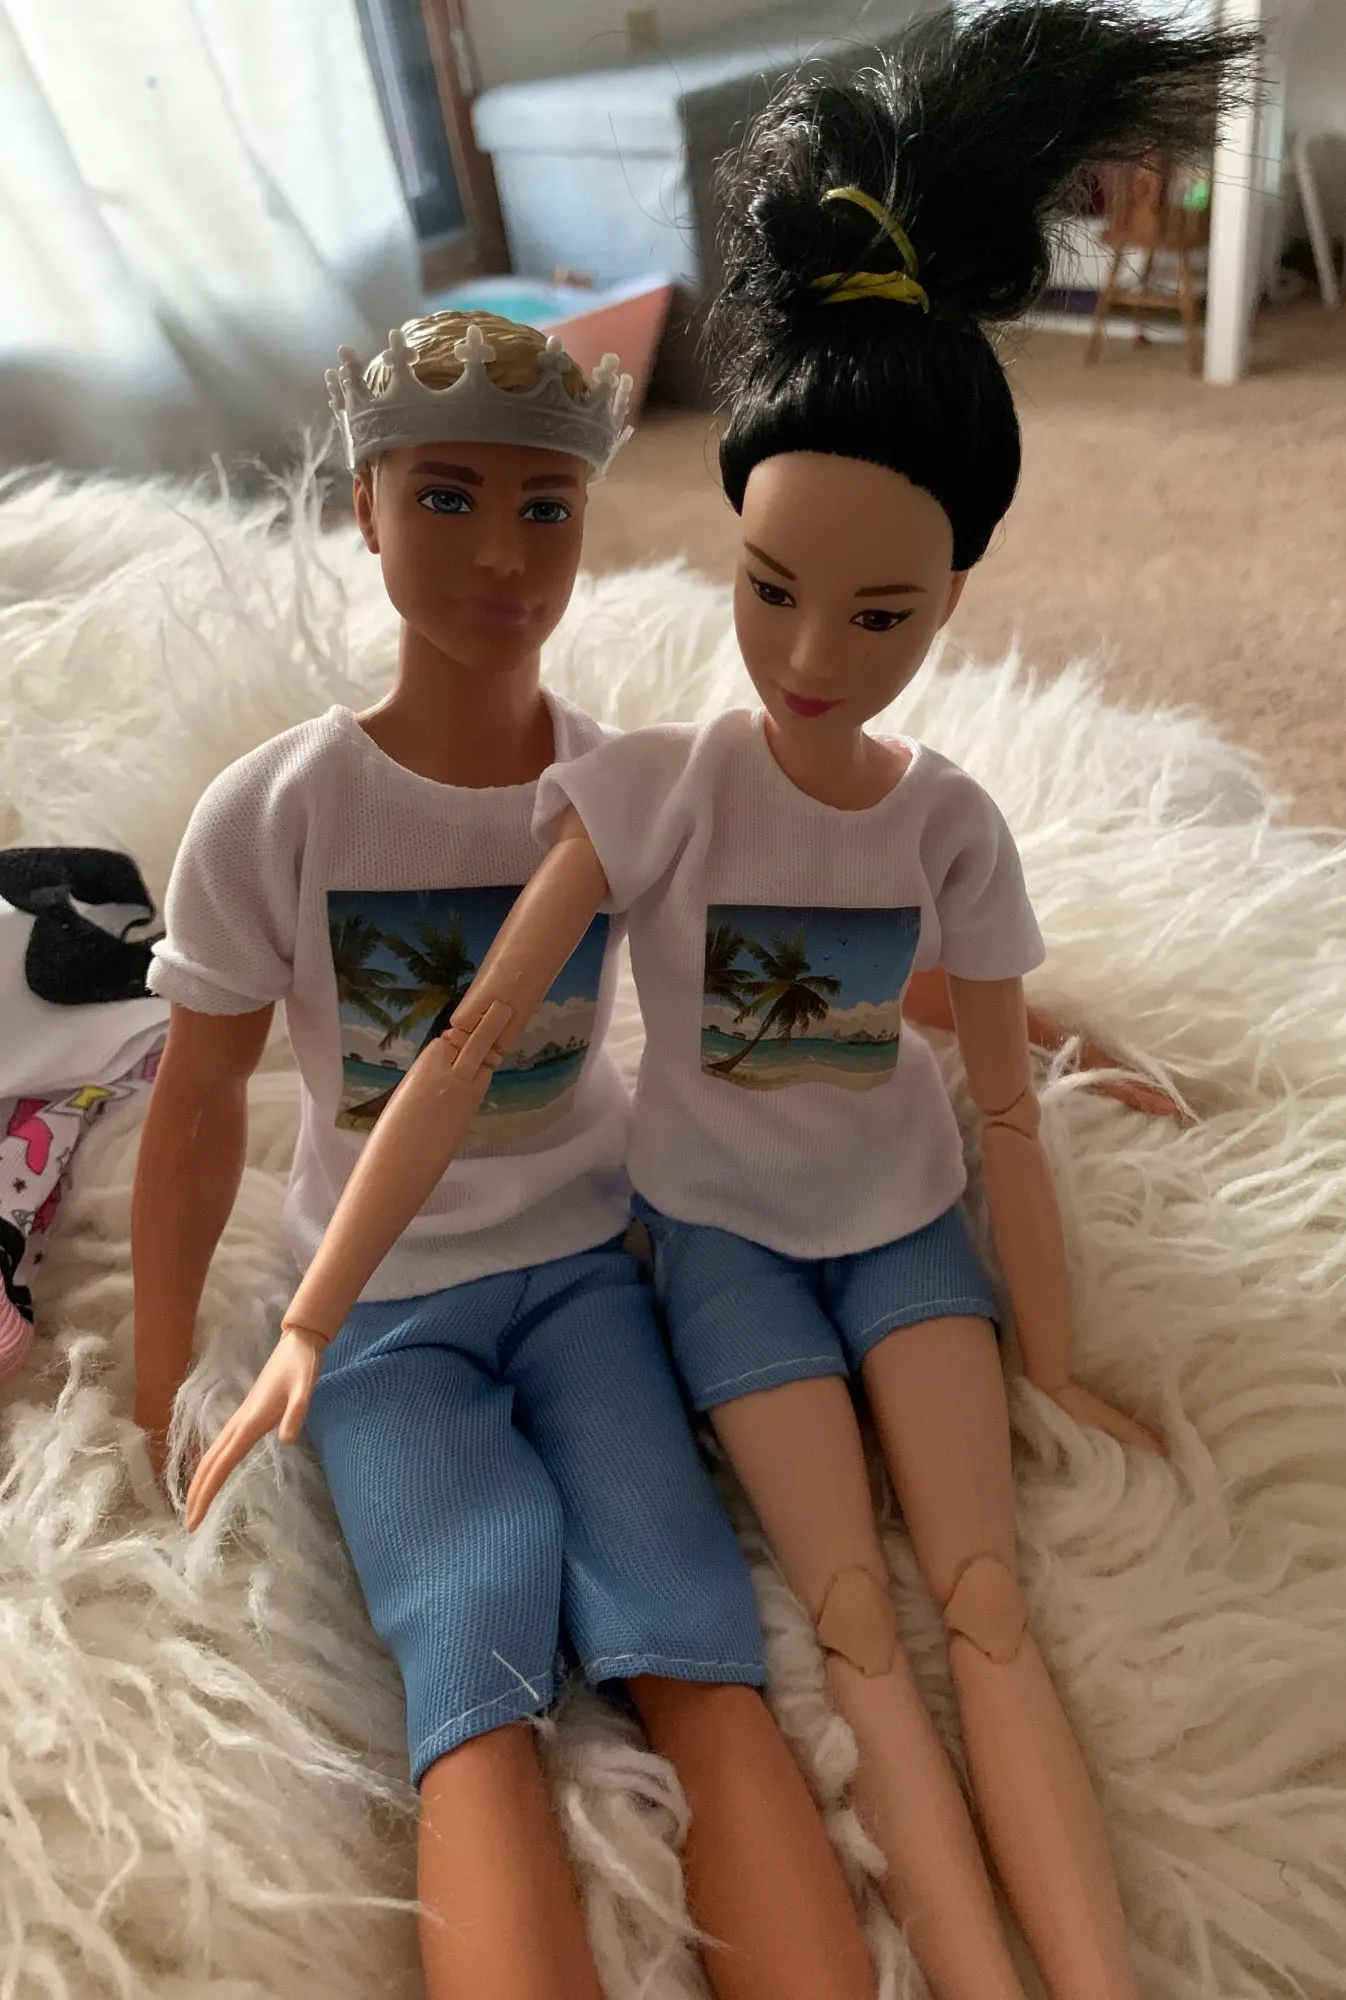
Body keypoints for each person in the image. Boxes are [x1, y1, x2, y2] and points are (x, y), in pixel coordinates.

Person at [133, 309, 877, 2000]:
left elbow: (803, 942)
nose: (501, 554)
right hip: (381, 1311)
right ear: (364, 508)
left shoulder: (628, 787)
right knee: (465, 1662)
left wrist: (1026, 1017)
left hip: (590, 1272)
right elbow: (195, 1109)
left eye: (547, 507)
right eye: (448, 499)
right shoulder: (274, 813)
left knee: (692, 1635)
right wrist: (158, 1378)